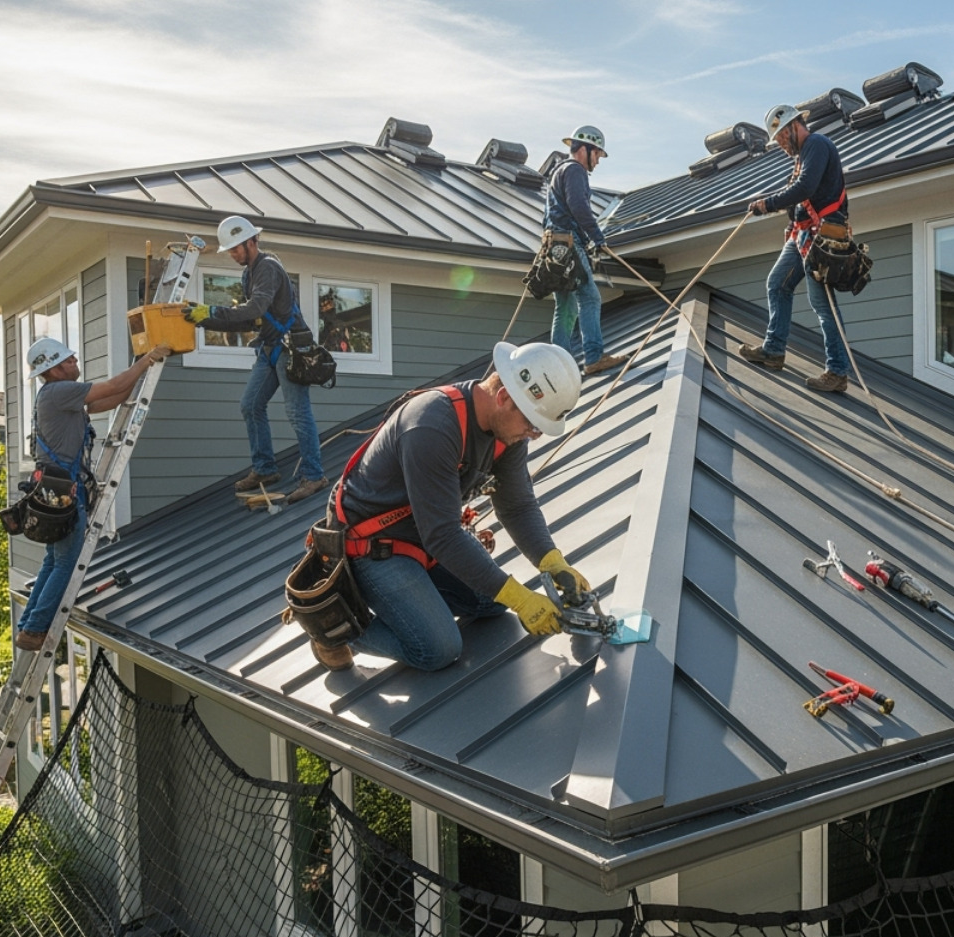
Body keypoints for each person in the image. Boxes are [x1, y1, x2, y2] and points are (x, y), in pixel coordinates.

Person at [307, 341, 591, 672]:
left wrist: (553, 562)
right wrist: (520, 597)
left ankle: (413, 599)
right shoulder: (431, 425)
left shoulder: (508, 432)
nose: (534, 435)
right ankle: (334, 630)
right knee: (438, 648)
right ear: (504, 398)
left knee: (490, 603)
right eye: (532, 425)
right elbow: (442, 535)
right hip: (372, 546)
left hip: (422, 535)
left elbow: (517, 506)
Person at [15, 337, 172, 650]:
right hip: (62, 490)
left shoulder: (57, 396)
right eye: (69, 361)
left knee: (53, 560)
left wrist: (141, 369)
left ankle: (28, 626)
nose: (75, 363)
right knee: (66, 562)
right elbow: (112, 384)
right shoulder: (60, 391)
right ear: (54, 369)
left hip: (52, 487)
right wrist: (146, 360)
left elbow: (112, 398)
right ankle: (34, 629)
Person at [182, 216, 327, 504]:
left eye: (237, 248)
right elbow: (250, 321)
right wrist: (205, 320)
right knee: (250, 405)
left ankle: (314, 476)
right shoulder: (249, 275)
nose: (234, 254)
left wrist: (211, 310)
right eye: (231, 250)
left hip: (291, 348)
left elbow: (255, 308)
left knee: (297, 412)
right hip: (270, 347)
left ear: (253, 241)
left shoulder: (268, 268)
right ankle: (265, 469)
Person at [740, 103, 852, 393]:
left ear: (792, 126)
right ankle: (774, 350)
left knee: (822, 305)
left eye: (780, 137)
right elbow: (799, 194)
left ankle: (837, 371)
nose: (779, 144)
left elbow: (805, 187)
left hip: (822, 237)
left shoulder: (816, 144)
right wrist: (783, 209)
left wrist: (769, 203)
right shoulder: (803, 156)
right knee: (777, 284)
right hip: (803, 236)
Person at [545, 126, 627, 376]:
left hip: (554, 245)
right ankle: (593, 357)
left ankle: (557, 364)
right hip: (569, 243)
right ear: (585, 149)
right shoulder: (575, 170)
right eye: (597, 155)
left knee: (566, 306)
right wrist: (597, 237)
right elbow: (579, 206)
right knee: (590, 298)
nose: (597, 162)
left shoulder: (559, 171)